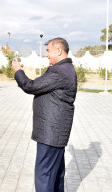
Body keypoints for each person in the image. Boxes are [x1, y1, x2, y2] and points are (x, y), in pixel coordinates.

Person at [12, 37, 77, 192]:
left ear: (59, 50)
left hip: (51, 133)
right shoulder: (65, 69)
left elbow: (31, 86)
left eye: (48, 50)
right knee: (55, 176)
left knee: (44, 176)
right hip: (55, 132)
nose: (46, 55)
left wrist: (18, 71)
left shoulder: (60, 71)